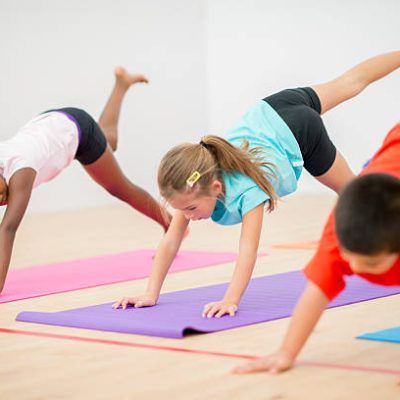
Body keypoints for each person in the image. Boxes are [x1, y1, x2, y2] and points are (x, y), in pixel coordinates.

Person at [113, 51, 400, 319]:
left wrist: (230, 300)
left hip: (300, 131)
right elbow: (171, 240)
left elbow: (247, 250)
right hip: (273, 109)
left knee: (354, 194)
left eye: (189, 209)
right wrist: (150, 293)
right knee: (349, 84)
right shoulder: (191, 185)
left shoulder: (247, 191)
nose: (186, 216)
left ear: (215, 188)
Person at [233, 122, 400, 374]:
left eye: (371, 263)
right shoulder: (339, 233)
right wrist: (285, 353)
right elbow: (317, 290)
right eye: (348, 257)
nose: (355, 269)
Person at [0, 67, 171, 293]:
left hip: (78, 129)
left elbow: (8, 229)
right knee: (109, 140)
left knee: (120, 188)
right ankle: (122, 84)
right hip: (50, 124)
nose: (1, 198)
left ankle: (170, 222)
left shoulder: (20, 168)